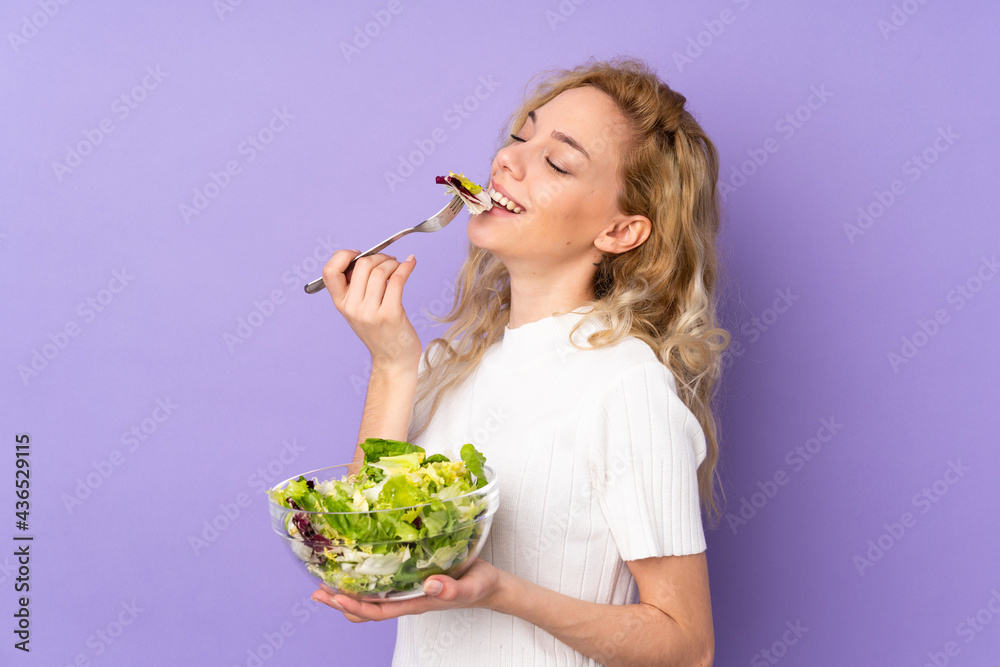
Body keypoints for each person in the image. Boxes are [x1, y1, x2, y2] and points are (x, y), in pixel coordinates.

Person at [316, 56, 730, 666]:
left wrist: (504, 592)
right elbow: (364, 559)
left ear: (620, 232)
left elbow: (687, 647)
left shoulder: (625, 385)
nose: (508, 160)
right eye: (520, 135)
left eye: (557, 162)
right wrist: (393, 365)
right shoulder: (445, 364)